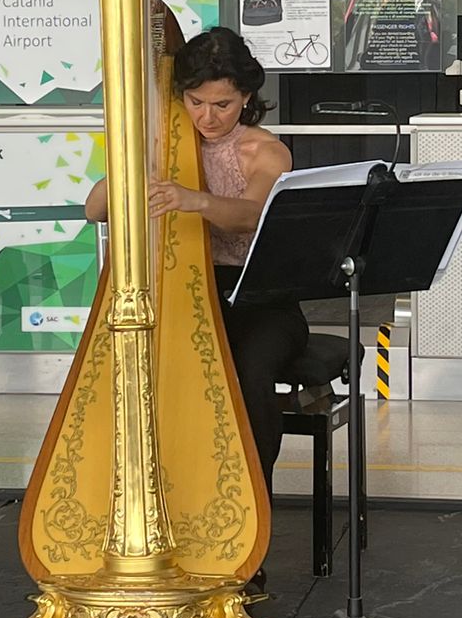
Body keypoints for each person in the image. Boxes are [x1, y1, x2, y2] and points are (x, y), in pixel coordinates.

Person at [85, 25, 309, 480]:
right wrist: (130, 158)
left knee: (247, 373)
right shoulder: (163, 144)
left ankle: (251, 497)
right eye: (196, 102)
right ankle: (166, 486)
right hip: (185, 294)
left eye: (222, 104)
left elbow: (252, 215)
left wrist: (197, 200)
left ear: (246, 96)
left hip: (257, 299)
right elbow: (95, 210)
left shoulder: (265, 151)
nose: (207, 117)